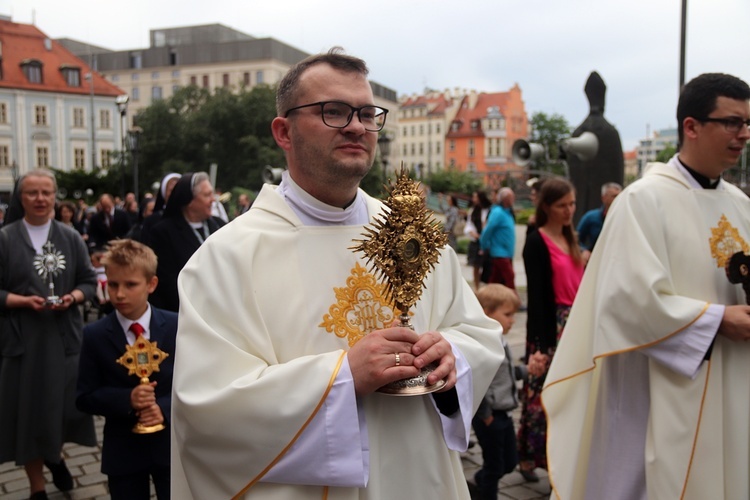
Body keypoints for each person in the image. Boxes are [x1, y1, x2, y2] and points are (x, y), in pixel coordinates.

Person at [170, 48, 504, 499]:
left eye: (367, 114)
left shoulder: (412, 234)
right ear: (283, 132)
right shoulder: (226, 258)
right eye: (333, 111)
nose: (356, 126)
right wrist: (343, 376)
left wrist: (454, 357)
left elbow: (478, 332)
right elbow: (207, 408)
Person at [542, 73, 750, 500]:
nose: (744, 133)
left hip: (733, 380)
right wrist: (716, 320)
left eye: (748, 123)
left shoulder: (742, 205)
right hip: (660, 387)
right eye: (732, 122)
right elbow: (625, 301)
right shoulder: (643, 201)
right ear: (691, 127)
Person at [0, 168, 97, 500]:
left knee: (60, 410)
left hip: (63, 339)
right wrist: (21, 301)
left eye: (46, 192)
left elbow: (88, 281)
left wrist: (74, 298)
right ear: (20, 197)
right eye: (31, 193)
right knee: (27, 413)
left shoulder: (69, 237)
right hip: (23, 341)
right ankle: (36, 486)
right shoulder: (5, 238)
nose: (40, 199)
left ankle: (55, 457)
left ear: (55, 196)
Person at [77, 239, 177, 500]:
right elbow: (84, 396)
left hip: (171, 446)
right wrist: (127, 399)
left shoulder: (177, 326)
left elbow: (194, 382)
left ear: (151, 284)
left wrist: (163, 408)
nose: (119, 294)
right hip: (123, 451)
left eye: (130, 285)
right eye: (113, 284)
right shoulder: (95, 335)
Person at [518, 177, 584, 483]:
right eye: (562, 205)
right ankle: (529, 457)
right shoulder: (537, 241)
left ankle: (563, 457)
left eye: (572, 204)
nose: (569, 210)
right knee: (539, 397)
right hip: (551, 326)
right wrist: (540, 346)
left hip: (574, 325)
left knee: (570, 394)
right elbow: (539, 298)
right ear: (547, 207)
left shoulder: (573, 238)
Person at [470, 284, 546, 500]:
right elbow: (477, 381)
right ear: (486, 313)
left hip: (504, 414)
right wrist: (486, 415)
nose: (513, 320)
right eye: (507, 315)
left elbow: (504, 374)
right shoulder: (482, 345)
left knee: (510, 462)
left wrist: (527, 370)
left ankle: (479, 479)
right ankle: (485, 491)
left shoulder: (501, 340)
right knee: (494, 467)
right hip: (490, 417)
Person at [148, 172, 225, 312]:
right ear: (189, 201)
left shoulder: (220, 225)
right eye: (207, 195)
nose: (213, 200)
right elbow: (168, 281)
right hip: (185, 310)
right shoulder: (163, 232)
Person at [480, 187, 516, 289]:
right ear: (504, 199)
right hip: (499, 252)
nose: (513, 199)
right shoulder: (498, 212)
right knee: (510, 276)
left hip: (506, 252)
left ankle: (488, 297)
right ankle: (514, 299)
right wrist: (483, 246)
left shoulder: (507, 212)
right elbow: (487, 231)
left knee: (496, 278)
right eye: (511, 197)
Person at [576, 181, 622, 257]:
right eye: (614, 196)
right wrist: (583, 250)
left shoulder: (624, 217)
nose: (618, 199)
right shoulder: (591, 217)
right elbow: (576, 239)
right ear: (603, 198)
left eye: (620, 196)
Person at [138, 172, 180, 246]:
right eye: (171, 190)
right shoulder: (151, 221)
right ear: (164, 192)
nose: (176, 193)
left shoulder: (191, 217)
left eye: (179, 189)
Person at [465, 190, 492, 290]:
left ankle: (486, 287)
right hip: (476, 240)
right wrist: (474, 233)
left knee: (487, 266)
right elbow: (469, 224)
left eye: (475, 197)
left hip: (487, 241)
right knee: (476, 265)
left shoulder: (489, 210)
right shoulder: (473, 211)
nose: (474, 199)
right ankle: (477, 287)